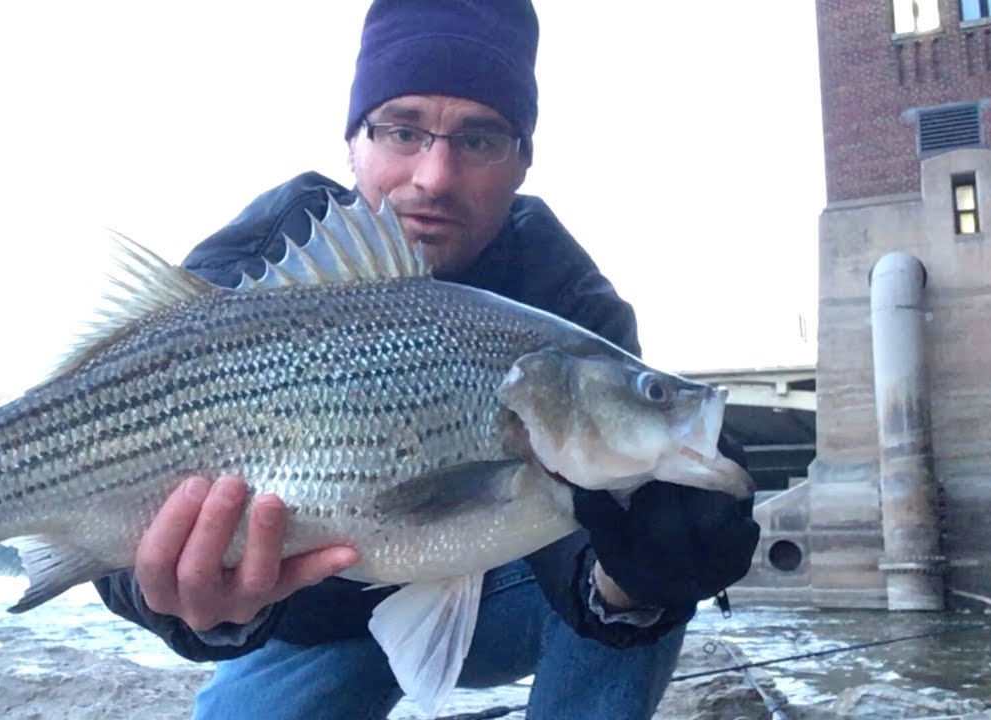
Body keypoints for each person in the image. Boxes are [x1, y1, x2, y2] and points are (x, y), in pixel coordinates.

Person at [94, 1, 761, 718]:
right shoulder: (254, 266)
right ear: (354, 140)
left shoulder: (566, 301)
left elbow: (592, 524)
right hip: (306, 624)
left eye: (479, 140)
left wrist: (640, 577)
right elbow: (97, 482)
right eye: (402, 129)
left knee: (649, 565)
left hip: (499, 594)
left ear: (523, 159)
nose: (435, 175)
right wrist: (191, 601)